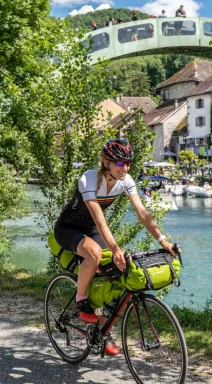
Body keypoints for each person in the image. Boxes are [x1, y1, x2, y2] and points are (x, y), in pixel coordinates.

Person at [53, 138, 178, 355]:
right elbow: (100, 219)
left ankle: (101, 328)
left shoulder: (126, 180)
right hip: (68, 228)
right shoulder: (89, 180)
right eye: (120, 163)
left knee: (116, 269)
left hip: (90, 229)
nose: (125, 167)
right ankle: (81, 300)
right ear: (106, 162)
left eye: (128, 163)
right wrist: (116, 247)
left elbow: (143, 213)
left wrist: (163, 241)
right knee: (94, 253)